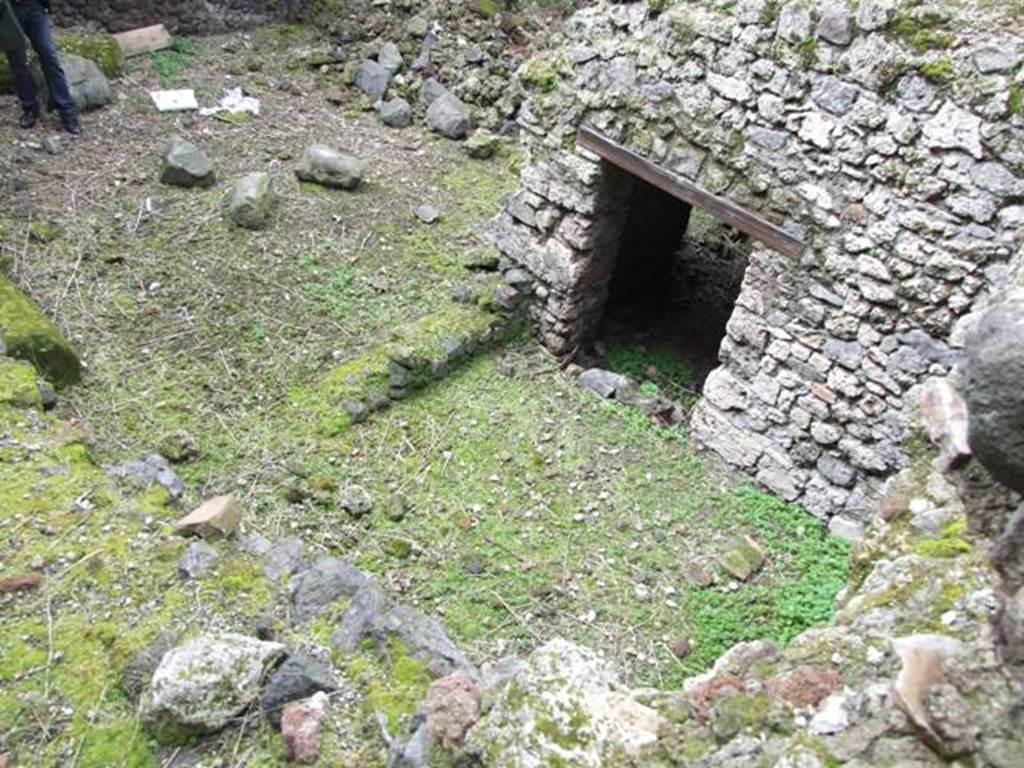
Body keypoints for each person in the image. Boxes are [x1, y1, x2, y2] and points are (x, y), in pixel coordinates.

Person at [2, 0, 80, 134]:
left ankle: (67, 112)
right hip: (10, 11)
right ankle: (30, 108)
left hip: (35, 7)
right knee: (18, 63)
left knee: (50, 57)